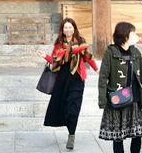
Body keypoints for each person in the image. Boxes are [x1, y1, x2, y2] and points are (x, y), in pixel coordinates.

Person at [34, 17, 98, 151]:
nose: (68, 29)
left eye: (70, 27)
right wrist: (45, 56)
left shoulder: (81, 42)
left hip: (77, 79)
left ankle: (71, 135)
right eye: (66, 27)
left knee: (73, 109)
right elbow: (54, 60)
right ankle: (70, 130)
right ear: (62, 30)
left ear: (74, 28)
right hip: (62, 80)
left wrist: (97, 69)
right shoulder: (58, 44)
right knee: (64, 107)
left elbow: (88, 57)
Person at [98, 21, 142, 153]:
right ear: (125, 35)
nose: (136, 36)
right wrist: (103, 100)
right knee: (118, 136)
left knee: (137, 134)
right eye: (133, 33)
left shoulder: (136, 52)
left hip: (135, 99)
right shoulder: (110, 52)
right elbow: (103, 78)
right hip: (118, 99)